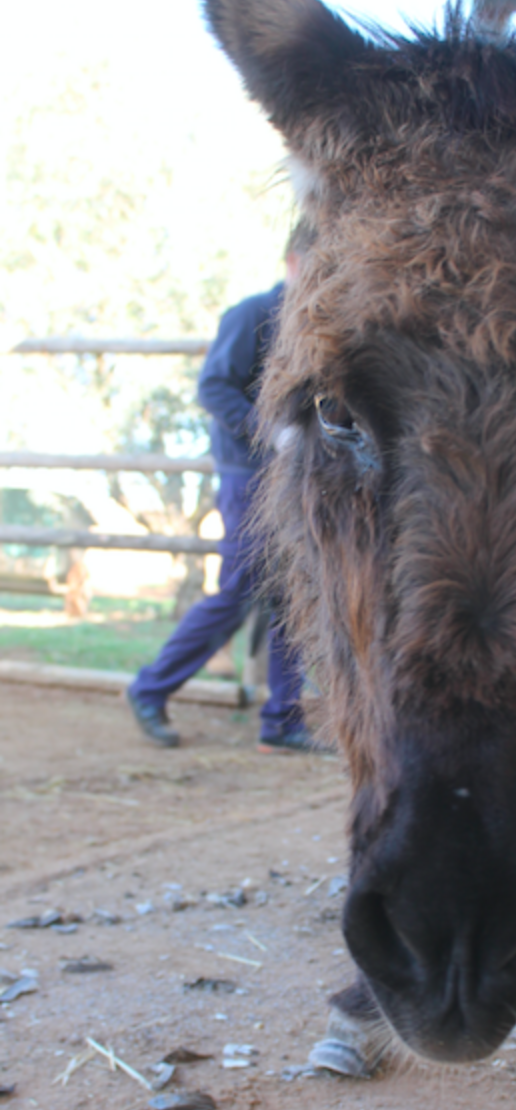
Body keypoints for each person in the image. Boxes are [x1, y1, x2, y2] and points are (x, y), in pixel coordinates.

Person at [127, 223, 315, 752]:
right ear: (294, 262)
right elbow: (213, 386)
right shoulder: (252, 314)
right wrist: (269, 430)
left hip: (295, 476)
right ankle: (149, 688)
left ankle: (282, 721)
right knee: (239, 590)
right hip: (248, 476)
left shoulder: (318, 324)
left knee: (292, 596)